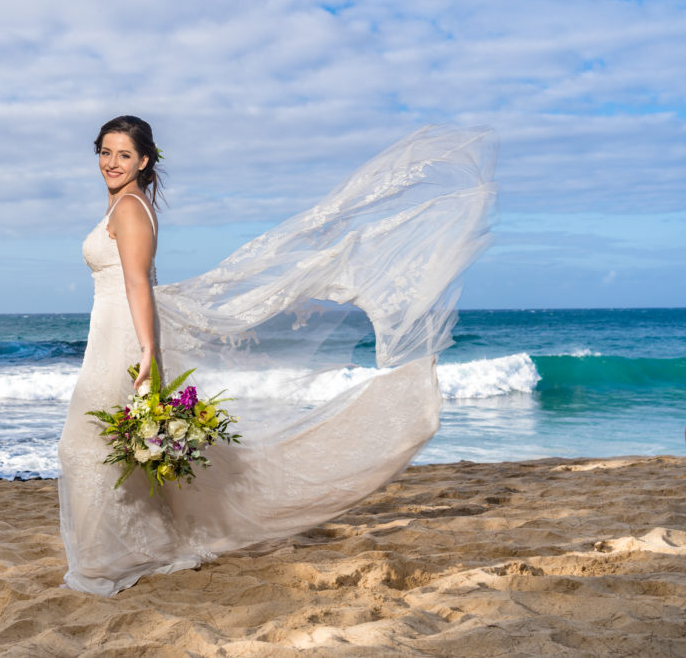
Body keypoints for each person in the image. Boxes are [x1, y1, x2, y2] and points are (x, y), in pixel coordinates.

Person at [59, 116, 498, 597]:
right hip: (111, 332)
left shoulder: (129, 209)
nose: (111, 163)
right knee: (113, 447)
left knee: (87, 446)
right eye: (105, 152)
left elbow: (138, 283)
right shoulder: (127, 205)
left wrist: (146, 351)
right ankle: (131, 547)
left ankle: (114, 555)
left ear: (144, 161)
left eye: (124, 155)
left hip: (125, 337)